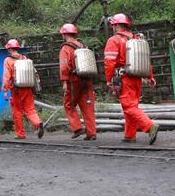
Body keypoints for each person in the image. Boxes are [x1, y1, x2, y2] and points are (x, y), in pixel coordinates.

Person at [103, 13, 160, 145]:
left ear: (116, 25)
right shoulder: (136, 39)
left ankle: (150, 126)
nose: (112, 27)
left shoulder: (114, 40)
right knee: (131, 106)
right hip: (137, 78)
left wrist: (108, 79)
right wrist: (150, 77)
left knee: (128, 107)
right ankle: (130, 135)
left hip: (125, 78)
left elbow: (109, 62)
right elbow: (145, 60)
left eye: (113, 25)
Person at [58, 23, 98, 140]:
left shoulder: (65, 48)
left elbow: (64, 67)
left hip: (74, 80)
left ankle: (77, 128)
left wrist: (64, 82)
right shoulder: (82, 45)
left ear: (64, 34)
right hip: (87, 79)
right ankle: (91, 133)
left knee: (69, 104)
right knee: (87, 106)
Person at [3, 39, 45, 139]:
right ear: (17, 48)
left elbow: (6, 76)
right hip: (28, 87)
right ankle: (37, 123)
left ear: (9, 49)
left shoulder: (8, 60)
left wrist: (5, 90)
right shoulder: (24, 58)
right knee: (30, 108)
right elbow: (34, 72)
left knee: (17, 111)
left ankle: (20, 134)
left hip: (16, 89)